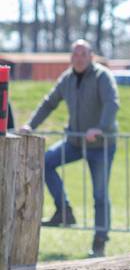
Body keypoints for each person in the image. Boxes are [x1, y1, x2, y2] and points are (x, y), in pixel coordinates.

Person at [19, 40, 119, 257]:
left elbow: (112, 103)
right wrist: (30, 125)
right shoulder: (67, 78)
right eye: (75, 54)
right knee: (46, 162)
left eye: (83, 54)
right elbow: (49, 103)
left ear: (91, 56)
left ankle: (99, 241)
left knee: (99, 194)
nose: (79, 58)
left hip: (100, 145)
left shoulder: (102, 77)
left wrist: (100, 128)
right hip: (74, 142)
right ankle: (64, 211)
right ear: (71, 57)